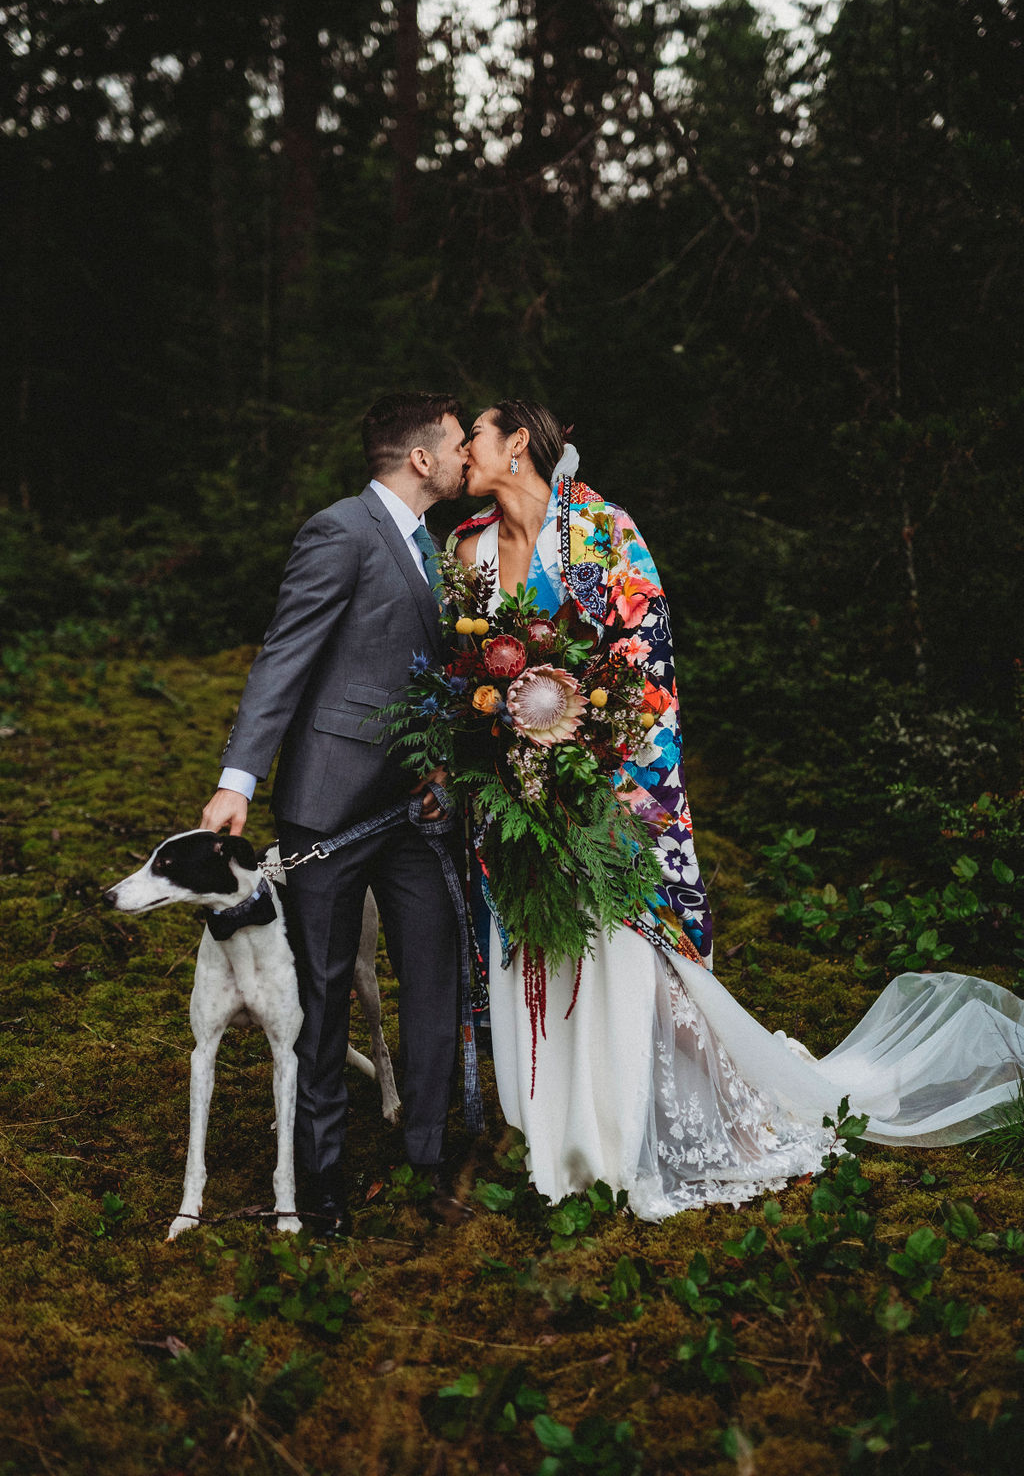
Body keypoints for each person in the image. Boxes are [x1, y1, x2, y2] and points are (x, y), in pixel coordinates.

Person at [453, 400, 1024, 1220]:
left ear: (517, 443)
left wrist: (592, 767)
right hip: (509, 798)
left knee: (629, 961)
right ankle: (555, 1143)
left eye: (473, 432)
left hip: (599, 788)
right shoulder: (466, 548)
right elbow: (459, 666)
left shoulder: (602, 532)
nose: (461, 447)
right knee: (538, 953)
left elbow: (647, 660)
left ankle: (674, 1125)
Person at [201, 391, 474, 1231]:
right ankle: (318, 1184)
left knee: (434, 978)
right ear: (420, 458)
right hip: (328, 808)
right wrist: (238, 781)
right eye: (457, 444)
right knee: (320, 995)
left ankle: (430, 1157)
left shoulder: (438, 548)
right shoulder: (340, 531)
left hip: (419, 810)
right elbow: (284, 657)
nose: (467, 455)